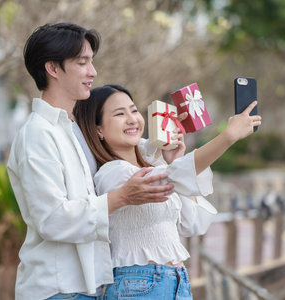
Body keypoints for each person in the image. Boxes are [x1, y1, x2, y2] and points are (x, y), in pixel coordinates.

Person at [7, 23, 176, 300]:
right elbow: (52, 219)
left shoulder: (72, 130)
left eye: (92, 62)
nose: (93, 72)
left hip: (87, 287)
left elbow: (134, 146)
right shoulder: (37, 134)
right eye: (82, 62)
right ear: (53, 68)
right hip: (57, 290)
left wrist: (165, 148)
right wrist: (122, 196)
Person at [73, 84, 262, 299]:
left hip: (176, 282)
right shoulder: (112, 173)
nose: (132, 119)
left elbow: (193, 224)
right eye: (119, 114)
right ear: (98, 129)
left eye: (134, 110)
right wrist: (227, 137)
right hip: (138, 285)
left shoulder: (154, 167)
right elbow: (174, 176)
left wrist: (176, 160)